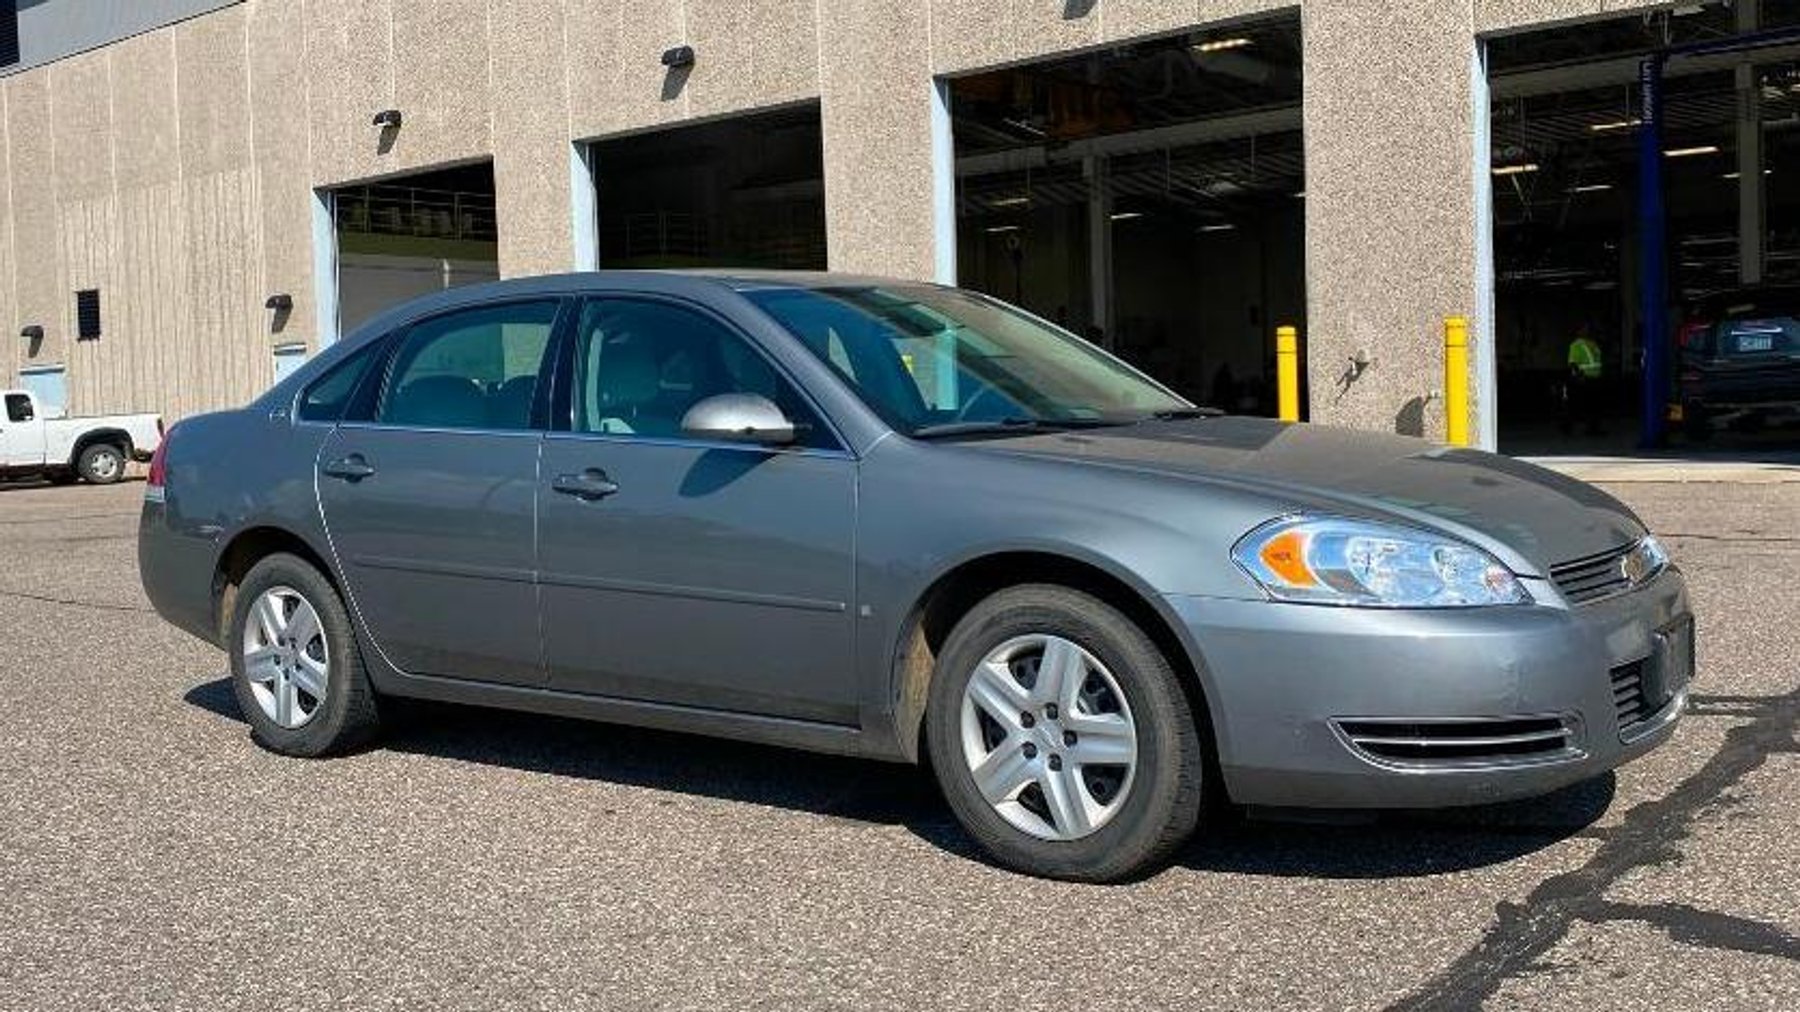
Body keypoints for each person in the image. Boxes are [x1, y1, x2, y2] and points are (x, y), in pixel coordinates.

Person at [1563, 328, 1605, 436]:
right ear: (1578, 331)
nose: (1587, 331)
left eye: (1587, 328)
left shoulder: (1593, 344)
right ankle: (1568, 427)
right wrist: (1579, 376)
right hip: (1584, 379)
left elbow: (1597, 360)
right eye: (1584, 329)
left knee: (1594, 405)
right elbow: (1573, 363)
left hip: (1595, 378)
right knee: (1578, 404)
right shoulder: (1576, 345)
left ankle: (1593, 428)